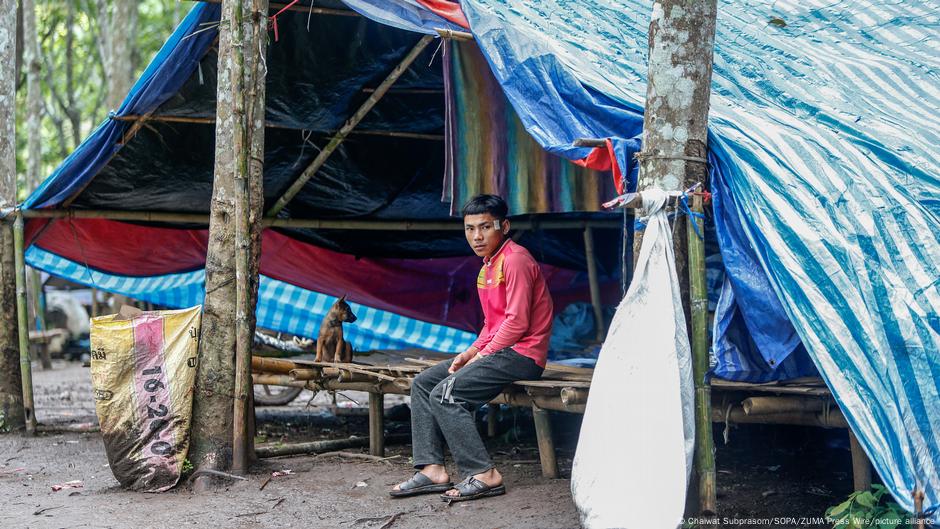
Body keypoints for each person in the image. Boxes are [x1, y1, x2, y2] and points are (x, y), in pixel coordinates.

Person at [390, 194, 553, 502]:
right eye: (469, 229)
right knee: (424, 384)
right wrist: (469, 353)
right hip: (501, 351)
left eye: (485, 227)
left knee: (446, 394)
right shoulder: (486, 268)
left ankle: (484, 474)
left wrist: (482, 354)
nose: (477, 236)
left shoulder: (515, 259)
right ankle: (432, 469)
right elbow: (492, 326)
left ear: (503, 226)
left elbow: (517, 324)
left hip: (523, 354)